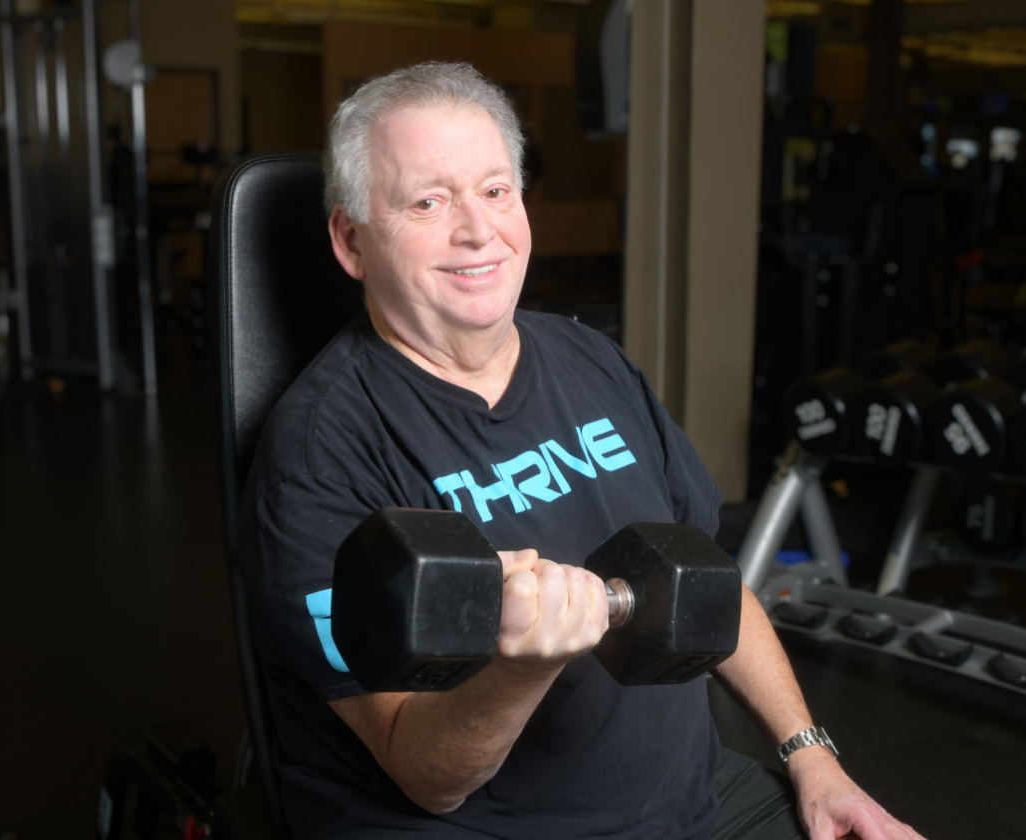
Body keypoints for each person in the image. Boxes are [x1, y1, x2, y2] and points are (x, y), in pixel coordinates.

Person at [239, 61, 926, 840]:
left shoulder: (588, 359)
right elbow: (425, 778)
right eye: (428, 201)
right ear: (351, 241)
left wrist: (812, 758)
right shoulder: (317, 455)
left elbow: (709, 578)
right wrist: (524, 664)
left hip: (695, 804)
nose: (477, 230)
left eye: (495, 191)